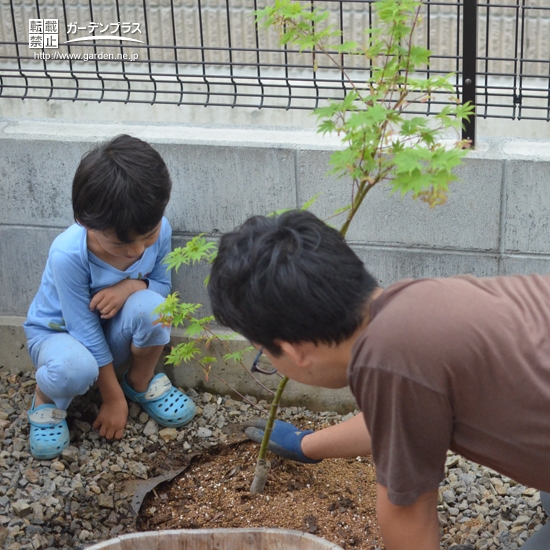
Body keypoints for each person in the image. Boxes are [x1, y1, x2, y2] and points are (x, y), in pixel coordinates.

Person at [208, 209, 550, 550]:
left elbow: (409, 517)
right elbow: (399, 421)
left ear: (293, 350)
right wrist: (305, 445)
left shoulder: (392, 360)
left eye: (262, 354)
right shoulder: (411, 303)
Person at [24, 134, 195, 460]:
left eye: (148, 237)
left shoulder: (160, 228)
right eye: (122, 245)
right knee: (75, 368)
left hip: (111, 333)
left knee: (156, 309)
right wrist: (111, 399)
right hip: (58, 335)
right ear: (85, 222)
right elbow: (82, 328)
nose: (137, 250)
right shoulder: (68, 255)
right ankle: (46, 398)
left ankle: (139, 382)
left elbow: (161, 285)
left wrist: (130, 286)